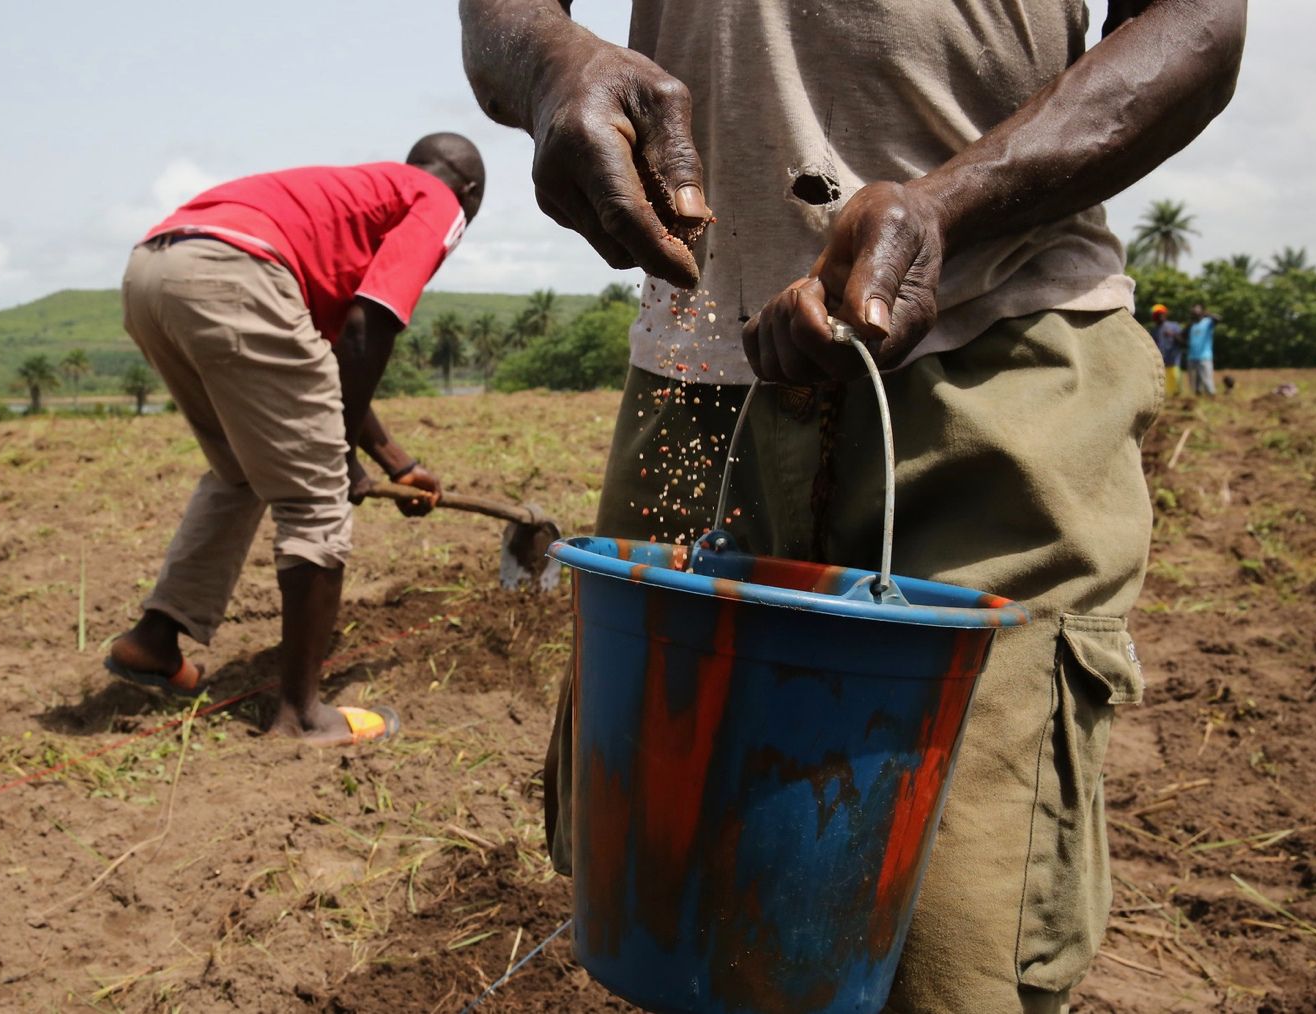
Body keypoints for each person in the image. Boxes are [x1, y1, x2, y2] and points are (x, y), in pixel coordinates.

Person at [461, 1, 1243, 1010]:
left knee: (945, 952)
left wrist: (946, 208)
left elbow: (1200, 28)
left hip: (981, 350)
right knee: (669, 915)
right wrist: (549, 64)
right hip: (696, 366)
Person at [107, 133, 486, 746]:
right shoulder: (437, 198)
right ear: (470, 192)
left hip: (155, 269)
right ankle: (303, 715)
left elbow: (324, 356)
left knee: (238, 471)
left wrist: (395, 462)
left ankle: (153, 640)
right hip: (237, 275)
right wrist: (337, 457)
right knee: (315, 500)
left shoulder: (351, 201)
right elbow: (369, 327)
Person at [1149, 303, 1184, 398]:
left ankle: (1177, 397)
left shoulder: (1174, 326)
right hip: (1161, 362)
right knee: (1164, 384)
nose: (1160, 317)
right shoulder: (1154, 330)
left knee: (1175, 379)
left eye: (1161, 314)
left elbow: (1183, 341)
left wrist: (1173, 334)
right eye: (1157, 315)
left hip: (1174, 360)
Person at [1186, 302, 1220, 396]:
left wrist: (1208, 314)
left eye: (1197, 309)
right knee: (1194, 382)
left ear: (1202, 311)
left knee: (1206, 379)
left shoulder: (1207, 322)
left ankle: (1212, 396)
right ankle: (1197, 398)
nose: (1195, 311)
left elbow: (1218, 319)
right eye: (1194, 309)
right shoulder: (1192, 325)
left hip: (1204, 357)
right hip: (1192, 357)